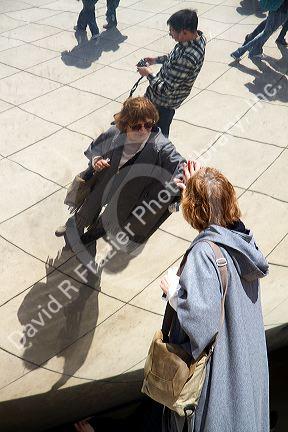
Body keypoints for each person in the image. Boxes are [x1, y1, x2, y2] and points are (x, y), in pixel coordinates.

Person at [160, 162, 269, 431]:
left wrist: (174, 293)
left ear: (193, 209)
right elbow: (228, 223)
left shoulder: (204, 253)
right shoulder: (245, 248)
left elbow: (201, 324)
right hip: (247, 386)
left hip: (222, 384)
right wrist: (203, 191)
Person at [55, 97, 185, 254]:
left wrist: (181, 179)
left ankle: (89, 240)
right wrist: (96, 160)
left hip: (129, 190)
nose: (143, 130)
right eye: (137, 126)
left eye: (149, 125)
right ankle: (73, 227)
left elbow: (179, 164)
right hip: (106, 180)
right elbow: (95, 148)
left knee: (109, 219)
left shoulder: (161, 146)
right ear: (125, 124)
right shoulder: (114, 132)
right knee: (88, 208)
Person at [137, 9, 206, 137]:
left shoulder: (188, 58)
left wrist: (148, 74)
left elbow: (166, 90)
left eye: (172, 31)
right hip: (158, 100)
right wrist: (156, 60)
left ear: (184, 32)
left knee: (157, 140)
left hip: (162, 105)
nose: (170, 34)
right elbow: (173, 58)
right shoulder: (191, 40)